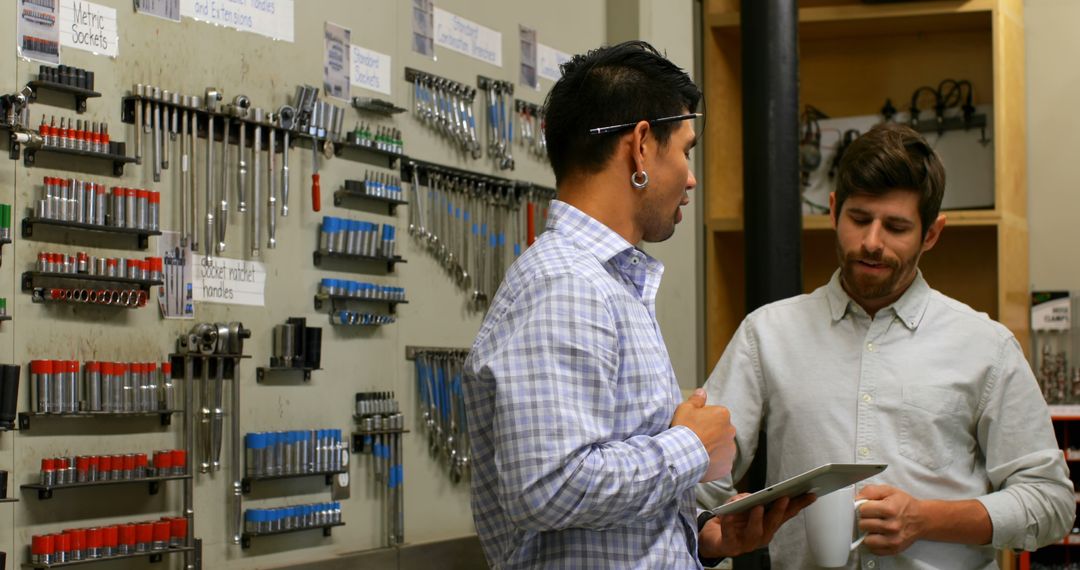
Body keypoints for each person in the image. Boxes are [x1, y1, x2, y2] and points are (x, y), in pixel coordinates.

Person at [463, 40, 810, 569]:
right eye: (687, 150)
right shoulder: (566, 285)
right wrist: (691, 447)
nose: (691, 176)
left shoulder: (608, 284)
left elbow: (594, 526)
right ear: (642, 146)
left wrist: (701, 537)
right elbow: (548, 486)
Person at [698, 122, 1075, 569]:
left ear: (931, 234)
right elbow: (699, 481)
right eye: (859, 219)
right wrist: (709, 537)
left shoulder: (986, 347)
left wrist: (928, 519)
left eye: (896, 227)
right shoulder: (767, 335)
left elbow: (1051, 501)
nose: (871, 242)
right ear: (834, 210)